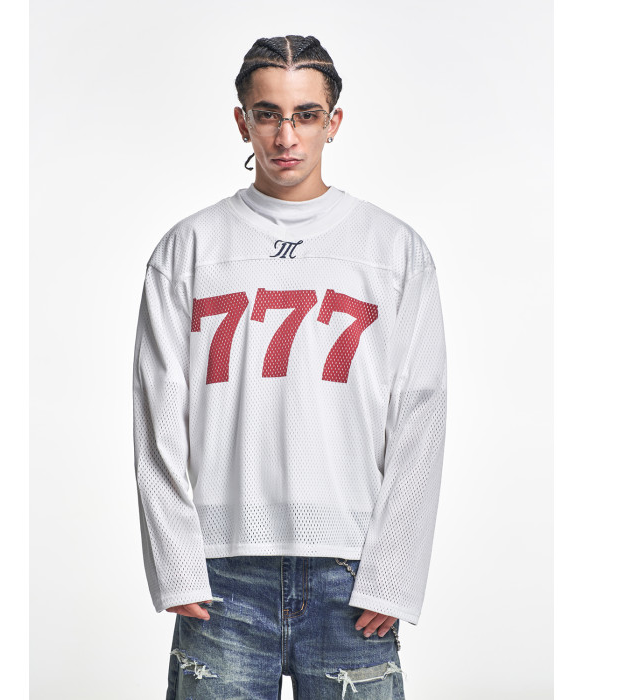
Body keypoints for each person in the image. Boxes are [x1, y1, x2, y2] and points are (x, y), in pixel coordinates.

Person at [132, 34, 448, 700]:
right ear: (241, 120)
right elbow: (157, 412)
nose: (286, 135)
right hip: (221, 571)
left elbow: (420, 413)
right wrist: (175, 562)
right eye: (268, 113)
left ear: (333, 122)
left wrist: (394, 571)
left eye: (306, 114)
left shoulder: (392, 249)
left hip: (350, 570)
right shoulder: (189, 248)